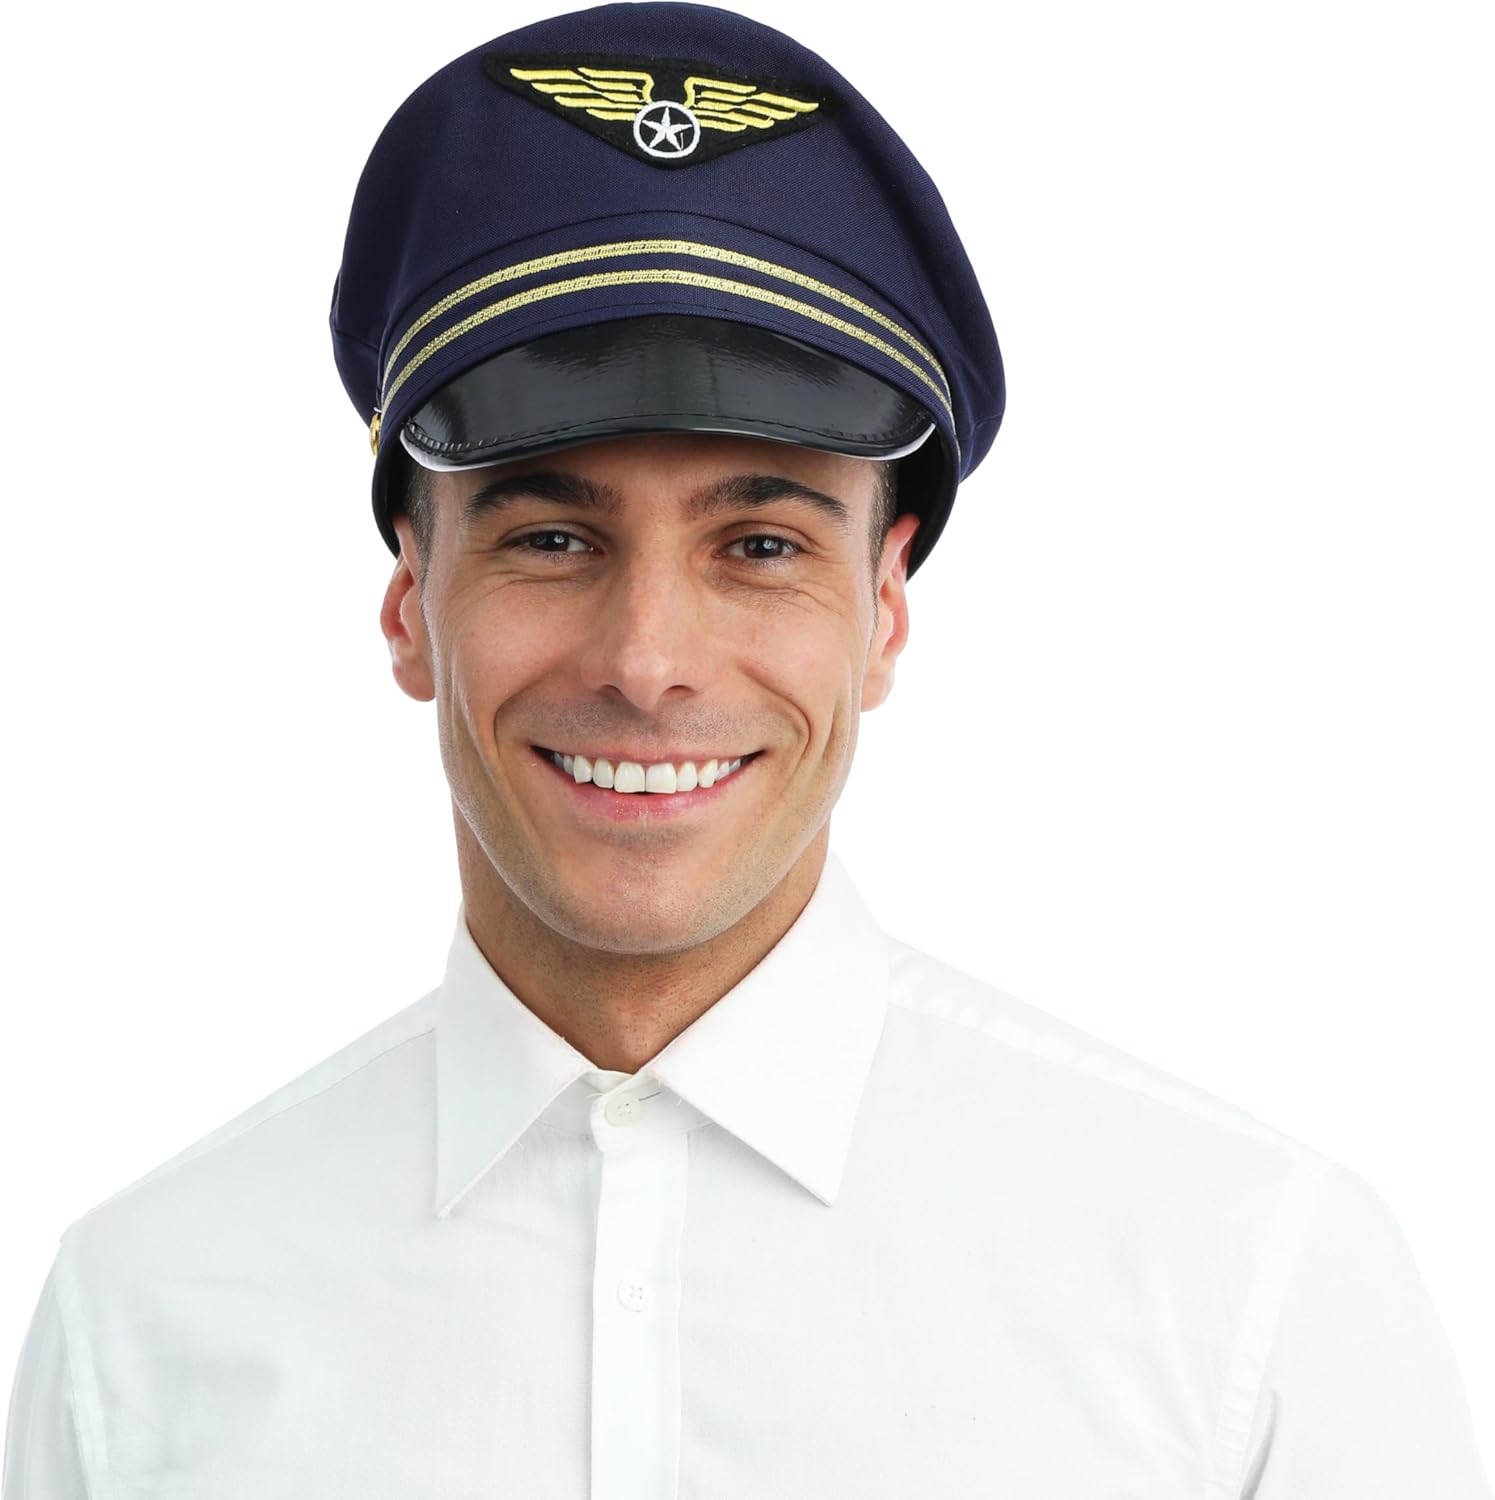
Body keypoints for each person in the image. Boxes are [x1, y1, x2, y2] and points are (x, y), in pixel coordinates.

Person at [3, 3, 1489, 1495]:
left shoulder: (1245, 1298)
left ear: (883, 612)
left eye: (761, 544)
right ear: (410, 604)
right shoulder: (139, 1328)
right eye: (552, 537)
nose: (648, 662)